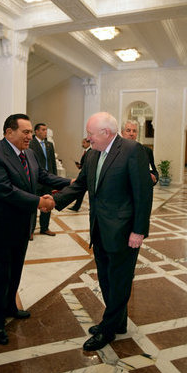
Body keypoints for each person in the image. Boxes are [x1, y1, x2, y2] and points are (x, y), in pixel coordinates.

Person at [54, 112, 153, 351]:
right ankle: (117, 323)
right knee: (107, 279)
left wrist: (139, 231)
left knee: (119, 281)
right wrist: (52, 201)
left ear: (106, 133)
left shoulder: (132, 150)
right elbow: (79, 185)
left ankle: (107, 330)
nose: (87, 138)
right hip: (99, 228)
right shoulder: (91, 155)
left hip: (124, 231)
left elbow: (143, 193)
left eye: (90, 134)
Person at [0, 113, 71, 345]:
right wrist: (39, 202)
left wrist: (72, 183)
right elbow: (5, 190)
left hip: (20, 225)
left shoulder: (30, 154)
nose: (30, 136)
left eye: (29, 132)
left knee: (14, 270)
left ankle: (9, 308)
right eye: (25, 132)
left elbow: (43, 176)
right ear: (9, 132)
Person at [29, 123, 57, 237]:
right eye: (43, 130)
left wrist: (54, 179)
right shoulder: (30, 144)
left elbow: (52, 163)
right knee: (33, 206)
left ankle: (44, 228)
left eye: (46, 130)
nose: (45, 132)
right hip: (35, 180)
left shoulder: (49, 145)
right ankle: (30, 231)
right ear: (36, 131)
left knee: (48, 204)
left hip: (47, 181)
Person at [121, 120, 159, 185]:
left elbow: (154, 172)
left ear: (137, 133)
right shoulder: (116, 150)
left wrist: (154, 178)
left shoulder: (147, 151)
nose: (131, 134)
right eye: (128, 130)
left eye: (134, 131)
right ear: (122, 133)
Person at [69, 138, 91, 212]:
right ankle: (76, 206)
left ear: (88, 143)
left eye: (84, 143)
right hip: (84, 175)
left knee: (86, 192)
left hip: (87, 176)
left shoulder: (90, 152)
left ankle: (77, 206)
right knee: (81, 192)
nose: (82, 144)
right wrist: (79, 166)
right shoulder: (86, 152)